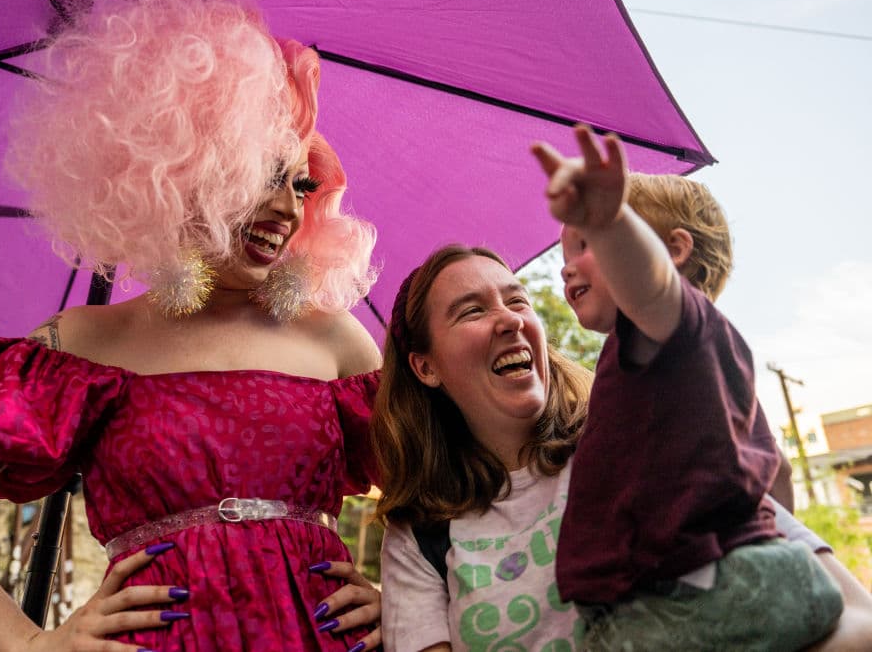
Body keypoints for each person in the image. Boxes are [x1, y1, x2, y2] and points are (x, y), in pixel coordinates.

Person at [0, 0, 382, 652]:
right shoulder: (79, 349)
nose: (288, 208)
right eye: (262, 174)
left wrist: (407, 597)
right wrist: (27, 643)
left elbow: (458, 493)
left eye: (301, 182)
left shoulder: (335, 342)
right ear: (182, 166)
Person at [371, 243, 872, 651]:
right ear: (425, 367)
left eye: (518, 300)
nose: (509, 320)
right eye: (473, 311)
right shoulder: (418, 538)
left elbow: (857, 620)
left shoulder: (645, 443)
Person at [531, 125, 845, 650]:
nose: (566, 267)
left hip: (695, 589)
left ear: (673, 251)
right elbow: (780, 470)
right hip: (736, 575)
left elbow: (651, 285)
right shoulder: (696, 357)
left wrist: (612, 224)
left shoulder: (668, 324)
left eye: (585, 243)